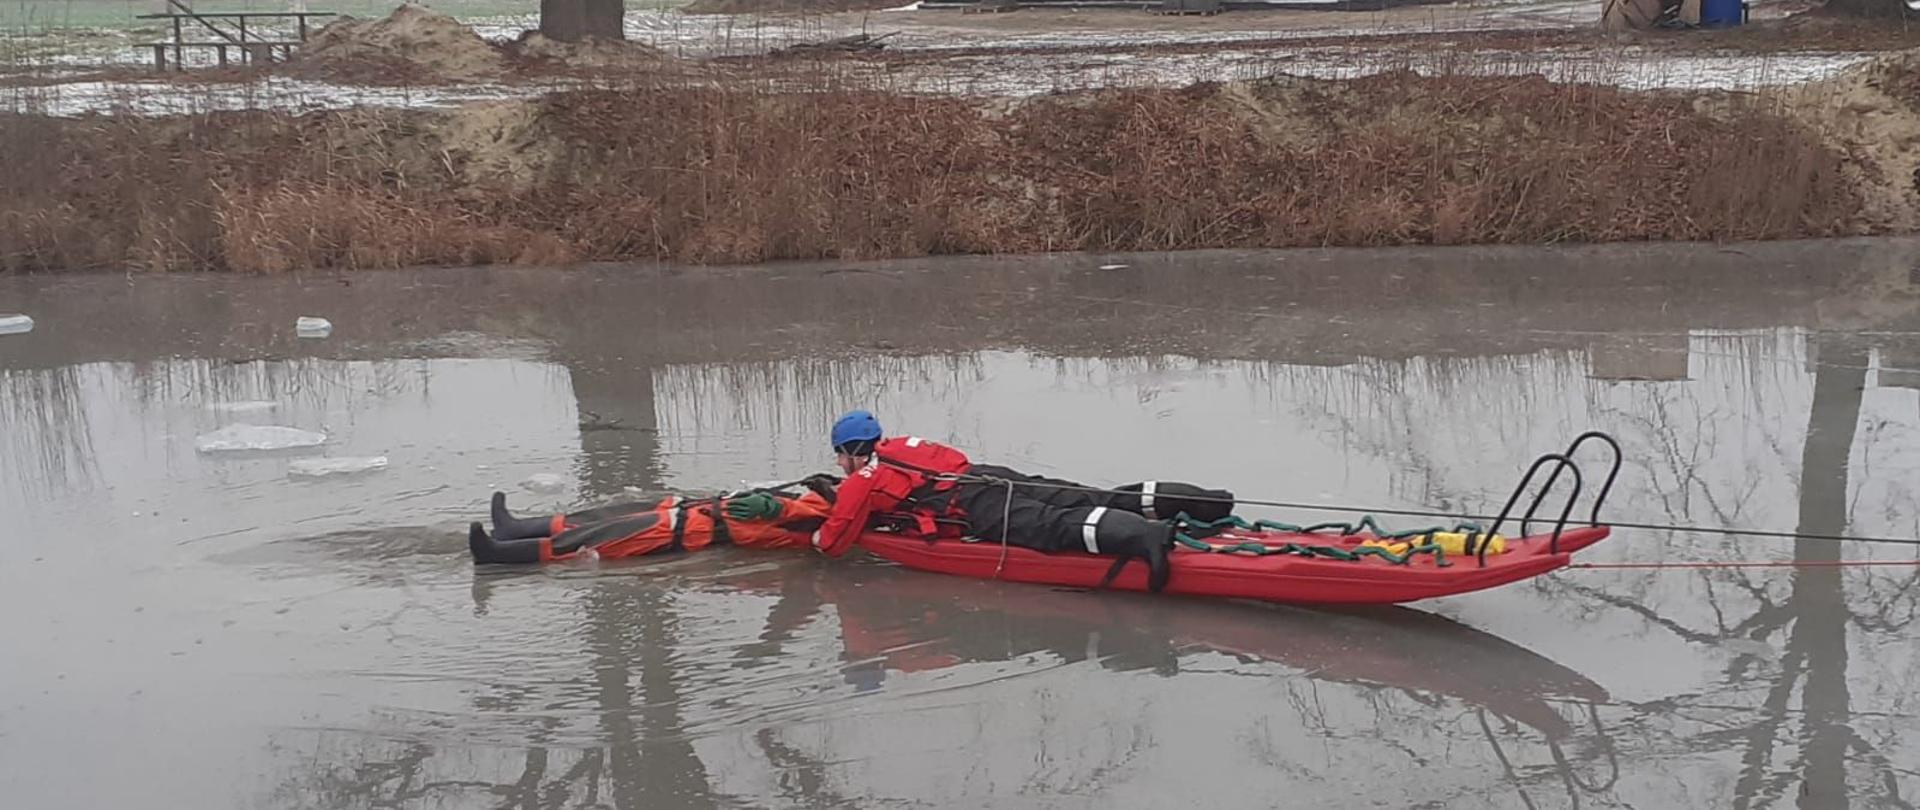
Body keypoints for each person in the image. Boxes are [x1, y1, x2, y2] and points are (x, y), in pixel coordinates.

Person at [806, 409, 1236, 592]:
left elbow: (833, 542)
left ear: (852, 450)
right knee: (1087, 496)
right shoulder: (903, 444)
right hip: (990, 475)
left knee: (1052, 526)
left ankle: (1148, 538)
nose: (840, 464)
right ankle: (1205, 503)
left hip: (976, 504)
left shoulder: (863, 479)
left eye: (840, 456)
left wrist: (815, 528)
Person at [468, 488, 832, 564]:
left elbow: (817, 531)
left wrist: (778, 506)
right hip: (693, 510)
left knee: (594, 539)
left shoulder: (829, 521)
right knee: (603, 515)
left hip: (690, 531)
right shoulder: (834, 493)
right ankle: (515, 529)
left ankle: (498, 554)